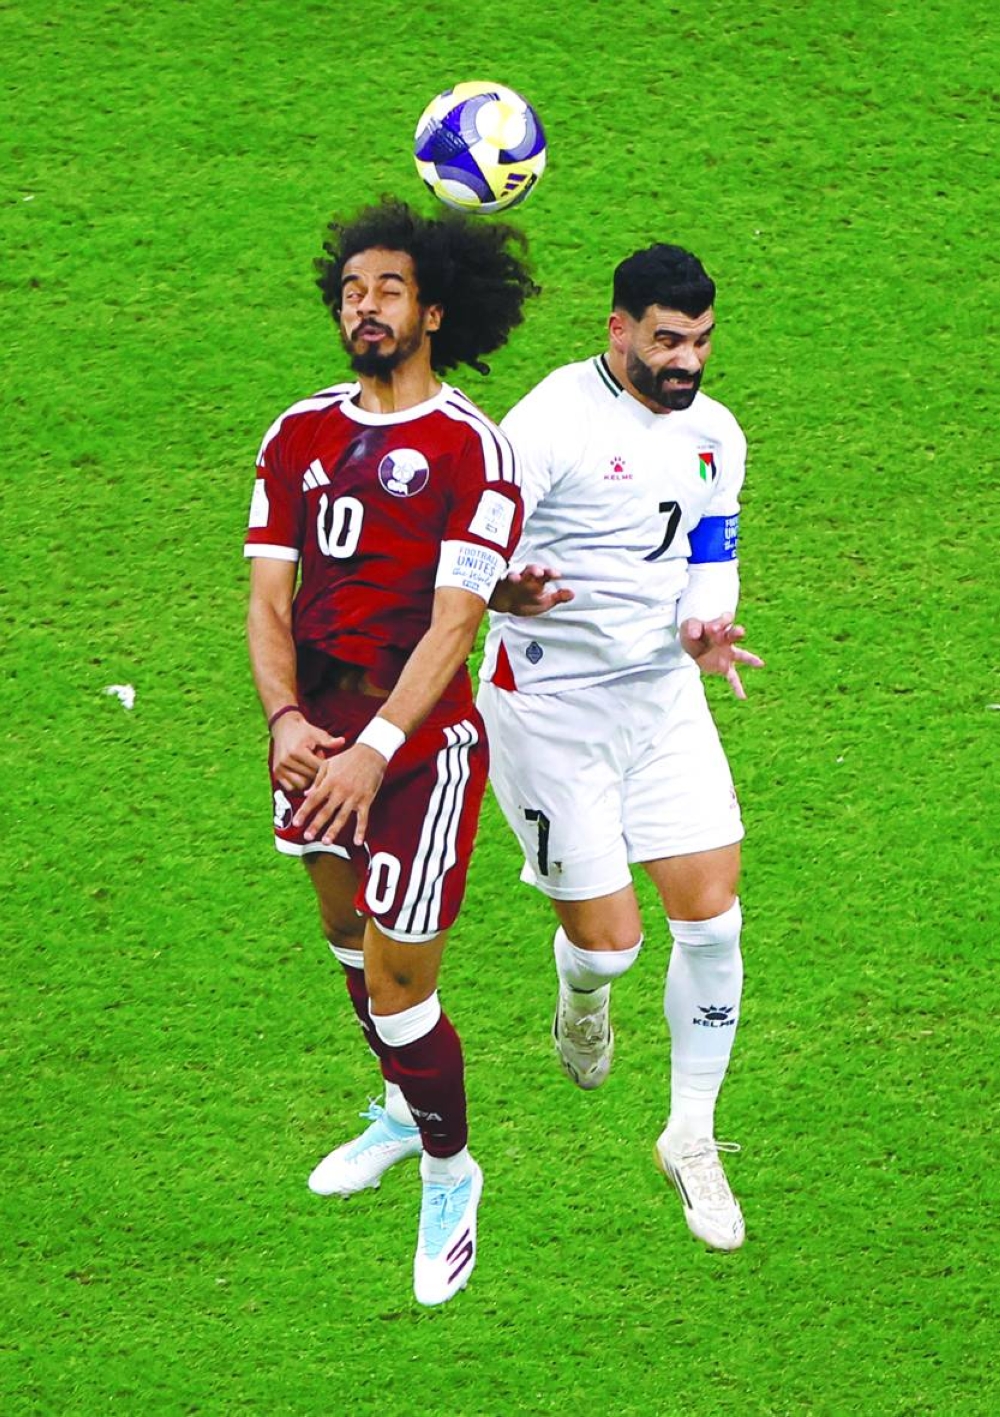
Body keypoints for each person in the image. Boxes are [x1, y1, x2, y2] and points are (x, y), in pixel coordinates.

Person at [244, 197, 536, 1306]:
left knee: (403, 988)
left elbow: (456, 621)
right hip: (314, 740)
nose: (364, 308)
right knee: (341, 940)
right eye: (351, 291)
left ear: (434, 311)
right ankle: (399, 1109)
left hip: (417, 752)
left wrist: (370, 748)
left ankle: (452, 1172)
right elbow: (270, 600)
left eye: (388, 291)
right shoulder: (297, 433)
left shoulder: (473, 445)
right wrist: (286, 725)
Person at [477, 243, 763, 1252]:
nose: (685, 361)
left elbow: (710, 554)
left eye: (699, 341)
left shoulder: (715, 434)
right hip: (550, 707)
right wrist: (502, 588)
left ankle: (690, 1136)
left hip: (659, 697)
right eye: (666, 340)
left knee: (714, 923)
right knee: (614, 942)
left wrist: (705, 624)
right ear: (618, 329)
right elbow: (467, 543)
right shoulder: (550, 420)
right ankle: (581, 994)